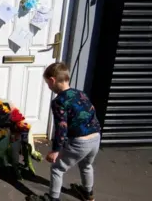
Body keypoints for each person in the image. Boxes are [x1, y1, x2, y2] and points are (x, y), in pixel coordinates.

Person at [28, 62, 101, 201]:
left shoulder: (59, 101)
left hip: (80, 141)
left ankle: (53, 198)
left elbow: (61, 128)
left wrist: (55, 150)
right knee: (86, 164)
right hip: (95, 138)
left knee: (57, 168)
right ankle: (88, 193)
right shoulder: (81, 93)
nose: (49, 87)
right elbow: (92, 112)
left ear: (52, 80)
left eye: (48, 84)